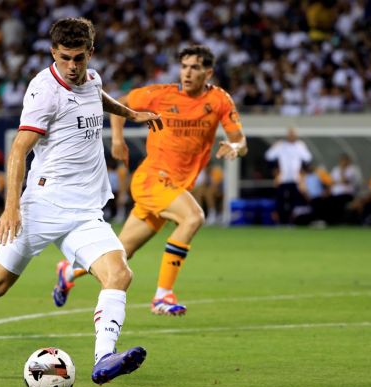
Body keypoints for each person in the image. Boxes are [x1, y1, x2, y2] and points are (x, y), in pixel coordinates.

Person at [0, 17, 162, 385]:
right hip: (42, 206)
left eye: (80, 58)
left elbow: (95, 96)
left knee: (119, 274)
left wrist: (130, 113)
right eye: (65, 58)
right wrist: (12, 208)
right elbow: (19, 149)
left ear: (91, 52)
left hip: (85, 210)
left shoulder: (92, 77)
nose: (73, 66)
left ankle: (104, 358)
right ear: (53, 52)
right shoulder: (43, 91)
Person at [52, 45, 248, 316]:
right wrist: (118, 140)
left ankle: (69, 271)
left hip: (174, 186)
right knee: (193, 218)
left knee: (120, 254)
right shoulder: (160, 94)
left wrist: (236, 148)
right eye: (184, 66)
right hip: (152, 178)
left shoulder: (219, 100)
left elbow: (240, 140)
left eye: (195, 67)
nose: (187, 72)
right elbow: (120, 103)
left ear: (209, 72)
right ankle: (162, 296)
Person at [264, 127, 312, 224]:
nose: (291, 136)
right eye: (290, 134)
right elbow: (268, 156)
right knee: (281, 201)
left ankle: (291, 222)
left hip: (295, 179)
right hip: (283, 179)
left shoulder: (300, 146)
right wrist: (274, 146)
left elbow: (308, 158)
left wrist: (302, 174)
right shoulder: (281, 146)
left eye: (293, 134)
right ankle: (281, 221)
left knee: (293, 202)